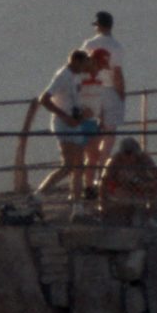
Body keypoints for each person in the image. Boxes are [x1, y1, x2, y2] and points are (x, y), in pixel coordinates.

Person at [34, 49, 97, 201]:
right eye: (84, 63)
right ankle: (39, 194)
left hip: (75, 123)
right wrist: (65, 117)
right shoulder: (62, 76)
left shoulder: (75, 77)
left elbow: (70, 100)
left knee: (79, 166)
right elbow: (44, 99)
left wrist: (83, 113)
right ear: (76, 61)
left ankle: (77, 204)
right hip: (64, 124)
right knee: (68, 165)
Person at [81, 10, 127, 144]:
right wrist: (121, 93)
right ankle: (103, 162)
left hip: (91, 89)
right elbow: (117, 73)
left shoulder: (88, 45)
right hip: (110, 89)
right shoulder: (117, 46)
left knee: (93, 128)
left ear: (99, 26)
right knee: (110, 131)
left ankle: (92, 161)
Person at [98, 137, 157, 227]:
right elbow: (104, 182)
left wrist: (148, 185)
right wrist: (102, 206)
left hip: (140, 188)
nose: (129, 156)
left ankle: (148, 217)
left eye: (131, 153)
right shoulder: (114, 161)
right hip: (120, 190)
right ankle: (114, 216)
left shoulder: (144, 159)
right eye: (126, 153)